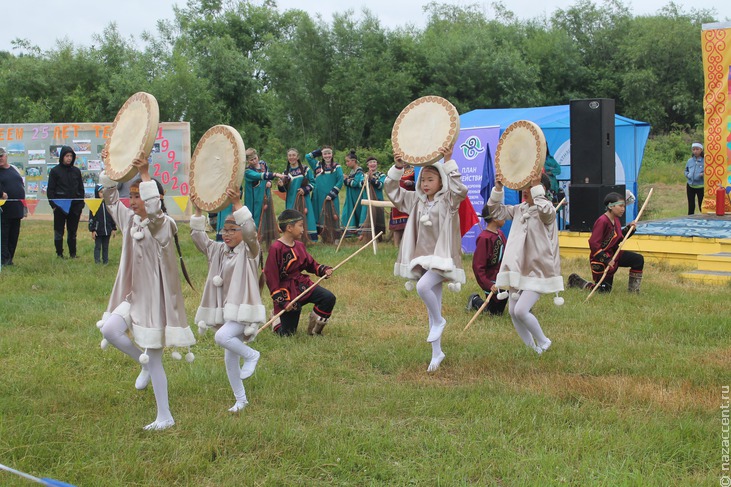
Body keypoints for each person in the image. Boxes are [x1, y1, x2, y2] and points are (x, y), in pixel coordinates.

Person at [97, 152, 195, 431]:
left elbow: (155, 215)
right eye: (133, 195)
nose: (134, 199)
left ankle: (165, 416)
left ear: (155, 199)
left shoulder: (164, 225)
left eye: (140, 195)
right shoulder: (129, 220)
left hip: (153, 304)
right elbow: (112, 198)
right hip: (132, 297)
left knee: (155, 360)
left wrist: (145, 175)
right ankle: (141, 362)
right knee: (110, 330)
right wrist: (111, 169)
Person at [385, 147, 468, 373]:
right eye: (423, 180)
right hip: (423, 259)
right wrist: (398, 167)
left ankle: (441, 321)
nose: (425, 184)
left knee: (423, 288)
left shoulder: (449, 201)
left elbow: (461, 189)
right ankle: (437, 353)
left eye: (431, 179)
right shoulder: (416, 200)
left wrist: (449, 161)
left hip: (443, 258)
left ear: (441, 182)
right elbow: (391, 190)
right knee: (432, 309)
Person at [191, 187, 264, 413]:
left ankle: (252, 355)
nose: (228, 234)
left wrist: (237, 204)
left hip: (243, 310)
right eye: (225, 230)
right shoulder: (218, 250)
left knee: (223, 337)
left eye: (233, 230)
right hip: (225, 311)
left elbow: (251, 232)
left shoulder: (251, 251)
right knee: (229, 359)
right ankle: (240, 400)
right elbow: (198, 238)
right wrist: (197, 210)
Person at [487, 171, 563, 354]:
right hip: (517, 268)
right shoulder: (519, 209)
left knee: (521, 310)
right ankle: (532, 350)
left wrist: (537, 188)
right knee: (513, 312)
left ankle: (544, 341)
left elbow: (546, 213)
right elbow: (494, 211)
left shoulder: (548, 211)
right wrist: (498, 188)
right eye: (525, 187)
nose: (526, 191)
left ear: (541, 190)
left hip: (538, 269)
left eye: (531, 187)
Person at [264, 209, 336, 336]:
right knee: (288, 334)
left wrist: (323, 269)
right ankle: (275, 320)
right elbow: (271, 277)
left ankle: (314, 331)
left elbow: (310, 264)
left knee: (328, 298)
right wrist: (282, 301)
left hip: (302, 285)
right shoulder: (276, 248)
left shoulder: (299, 245)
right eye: (301, 225)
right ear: (289, 228)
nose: (303, 229)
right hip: (286, 292)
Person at [568, 192, 643, 293]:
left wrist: (630, 229)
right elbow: (594, 244)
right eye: (620, 206)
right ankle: (576, 281)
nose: (623, 209)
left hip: (614, 254)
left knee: (637, 260)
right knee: (603, 291)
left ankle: (633, 292)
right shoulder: (602, 221)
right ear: (611, 206)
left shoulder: (616, 220)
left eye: (624, 206)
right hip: (601, 260)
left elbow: (618, 238)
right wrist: (606, 259)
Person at [466, 204, 508, 316]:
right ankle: (474, 300)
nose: (505, 217)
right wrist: (489, 284)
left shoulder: (501, 234)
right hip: (492, 281)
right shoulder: (484, 238)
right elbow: (478, 266)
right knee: (495, 313)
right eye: (502, 214)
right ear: (494, 218)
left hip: (503, 278)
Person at [47, 146, 85, 258]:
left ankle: (73, 253)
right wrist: (53, 205)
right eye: (67, 156)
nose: (69, 158)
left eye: (71, 156)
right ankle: (59, 253)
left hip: (75, 206)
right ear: (62, 156)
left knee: (72, 231)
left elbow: (81, 189)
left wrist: (80, 204)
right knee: (59, 231)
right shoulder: (55, 171)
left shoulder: (76, 171)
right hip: (60, 206)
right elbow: (50, 190)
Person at [277, 149, 318, 242]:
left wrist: (305, 189)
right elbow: (284, 190)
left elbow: (313, 183)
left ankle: (307, 238)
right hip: (291, 200)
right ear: (287, 158)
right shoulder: (286, 173)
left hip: (304, 199)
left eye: (293, 155)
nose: (292, 157)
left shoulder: (305, 169)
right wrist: (281, 186)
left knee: (305, 217)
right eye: (290, 155)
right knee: (292, 218)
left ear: (298, 157)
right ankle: (294, 238)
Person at [305, 146, 344, 239]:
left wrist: (332, 193)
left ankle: (335, 237)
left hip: (330, 195)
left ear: (332, 154)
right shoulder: (317, 165)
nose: (327, 155)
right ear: (322, 155)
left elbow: (340, 180)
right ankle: (323, 236)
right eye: (325, 154)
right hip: (318, 196)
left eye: (329, 153)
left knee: (332, 214)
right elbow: (307, 156)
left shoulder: (336, 166)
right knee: (319, 214)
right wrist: (319, 151)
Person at [244, 148, 283, 229]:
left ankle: (267, 231)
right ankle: (256, 232)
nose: (254, 161)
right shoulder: (247, 171)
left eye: (255, 158)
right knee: (256, 213)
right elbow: (259, 176)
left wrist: (269, 181)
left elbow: (267, 172)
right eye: (251, 160)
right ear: (248, 161)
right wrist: (275, 174)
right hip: (254, 196)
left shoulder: (262, 164)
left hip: (265, 192)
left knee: (267, 210)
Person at [0, 147, 26, 266]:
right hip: (3, 210)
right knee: (3, 236)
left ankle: (10, 259)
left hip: (17, 208)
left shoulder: (14, 168)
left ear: (6, 156)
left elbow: (21, 185)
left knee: (14, 236)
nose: (0, 159)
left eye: (1, 156)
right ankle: (4, 260)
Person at [88, 184, 116, 264]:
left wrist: (113, 228)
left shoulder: (108, 203)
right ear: (97, 193)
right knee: (98, 246)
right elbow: (91, 218)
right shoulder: (94, 204)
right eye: (101, 192)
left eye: (104, 192)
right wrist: (93, 229)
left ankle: (105, 261)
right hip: (98, 230)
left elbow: (111, 216)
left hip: (107, 229)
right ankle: (97, 261)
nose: (103, 194)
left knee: (105, 246)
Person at [388, 162, 415, 247]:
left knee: (408, 223)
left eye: (405, 160)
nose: (403, 162)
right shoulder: (395, 170)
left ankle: (407, 245)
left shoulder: (414, 171)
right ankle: (396, 245)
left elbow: (419, 182)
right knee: (396, 224)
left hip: (408, 199)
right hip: (397, 198)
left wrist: (411, 183)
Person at [360, 156, 386, 241]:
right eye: (370, 162)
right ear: (367, 165)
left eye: (374, 162)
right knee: (366, 215)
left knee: (378, 216)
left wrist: (372, 179)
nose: (372, 164)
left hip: (377, 198)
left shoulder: (381, 175)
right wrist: (367, 179)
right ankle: (365, 235)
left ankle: (378, 236)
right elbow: (360, 185)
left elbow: (381, 185)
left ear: (377, 164)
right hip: (367, 198)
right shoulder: (364, 175)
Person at [341, 151, 366, 237]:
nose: (346, 163)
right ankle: (349, 231)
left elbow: (355, 183)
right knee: (348, 212)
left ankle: (359, 232)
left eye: (348, 161)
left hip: (357, 195)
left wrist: (345, 179)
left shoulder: (359, 171)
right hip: (351, 195)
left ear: (354, 161)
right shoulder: (352, 171)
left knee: (357, 212)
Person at [685, 142, 705, 215]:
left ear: (701, 150)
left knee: (701, 204)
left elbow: (709, 171)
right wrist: (688, 175)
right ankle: (690, 219)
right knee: (691, 204)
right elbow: (686, 170)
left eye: (697, 149)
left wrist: (703, 174)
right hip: (690, 185)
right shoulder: (690, 161)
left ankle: (704, 219)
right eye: (693, 149)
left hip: (701, 186)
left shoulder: (705, 160)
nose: (695, 151)